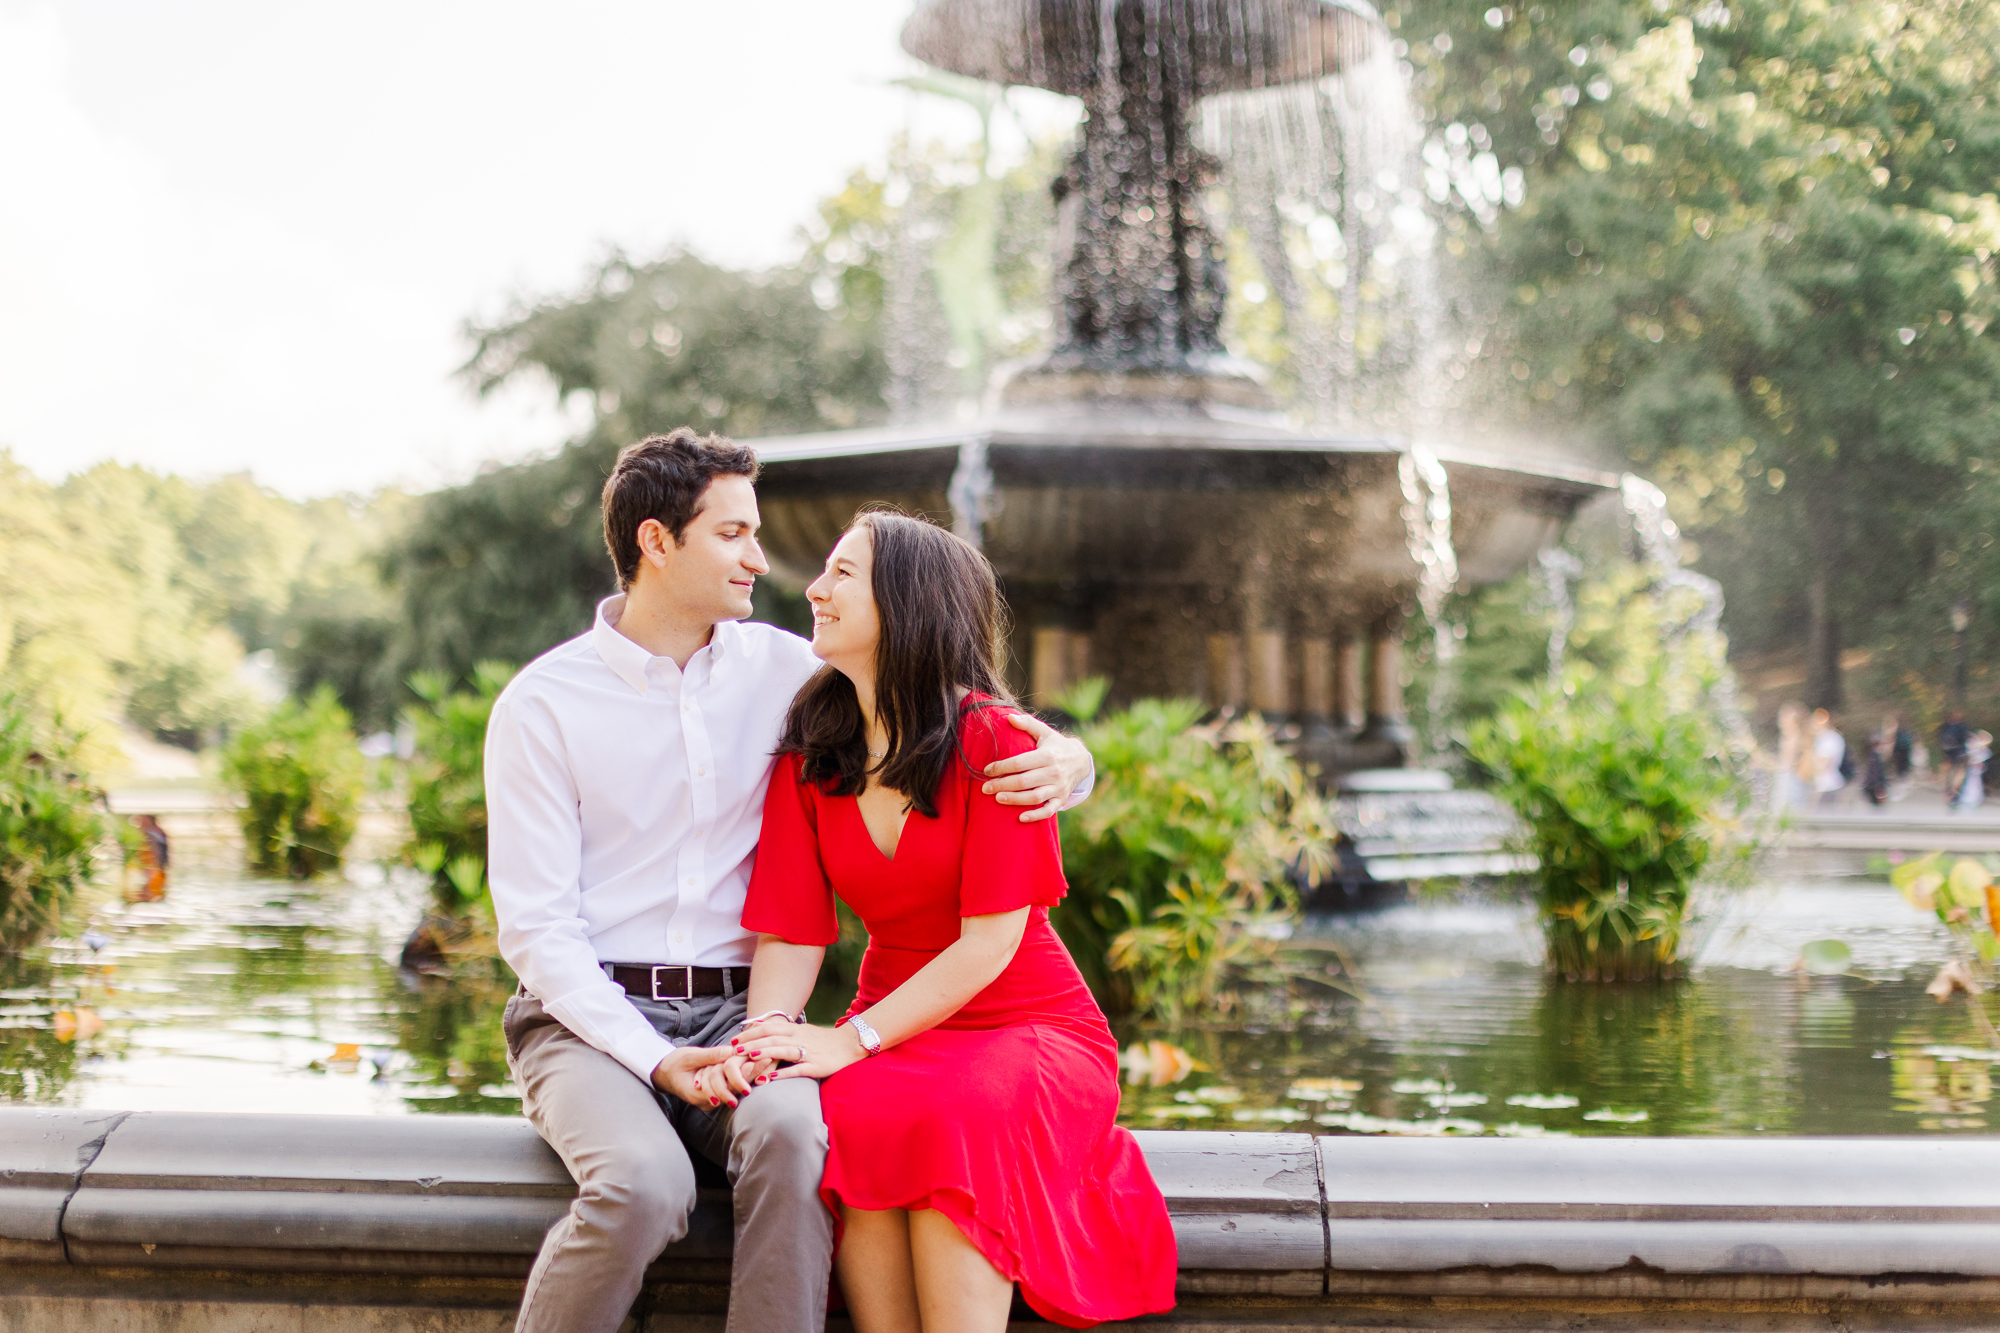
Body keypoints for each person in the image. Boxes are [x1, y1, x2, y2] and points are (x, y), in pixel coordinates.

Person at [485, 431, 1095, 1333]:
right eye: (733, 534)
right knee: (645, 1185)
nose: (761, 560)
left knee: (800, 1139)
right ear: (658, 542)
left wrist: (1071, 763)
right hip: (588, 1019)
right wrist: (653, 1057)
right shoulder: (543, 705)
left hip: (744, 1013)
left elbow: (938, 691)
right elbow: (537, 931)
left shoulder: (791, 670)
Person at [734, 512, 1177, 1332]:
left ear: (907, 601)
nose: (815, 589)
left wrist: (850, 1040)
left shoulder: (998, 743)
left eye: (842, 573)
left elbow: (990, 945)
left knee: (955, 1115)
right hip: (894, 1019)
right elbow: (794, 929)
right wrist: (772, 1034)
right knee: (852, 1114)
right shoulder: (811, 746)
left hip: (1026, 1021)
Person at [1774, 702, 1810, 813]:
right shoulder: (1789, 738)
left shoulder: (1795, 740)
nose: (1781, 721)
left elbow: (1786, 765)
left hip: (1791, 782)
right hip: (1789, 780)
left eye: (1784, 717)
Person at [1810, 708, 1847, 809]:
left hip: (1828, 785)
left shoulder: (1828, 738)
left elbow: (1824, 763)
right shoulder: (1823, 737)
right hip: (1824, 784)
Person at [1939, 709, 1971, 805]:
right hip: (1949, 752)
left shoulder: (1962, 727)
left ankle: (1954, 791)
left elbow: (1965, 739)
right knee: (1949, 771)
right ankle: (1949, 790)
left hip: (1958, 752)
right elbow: (1942, 737)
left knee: (1957, 771)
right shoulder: (1947, 726)